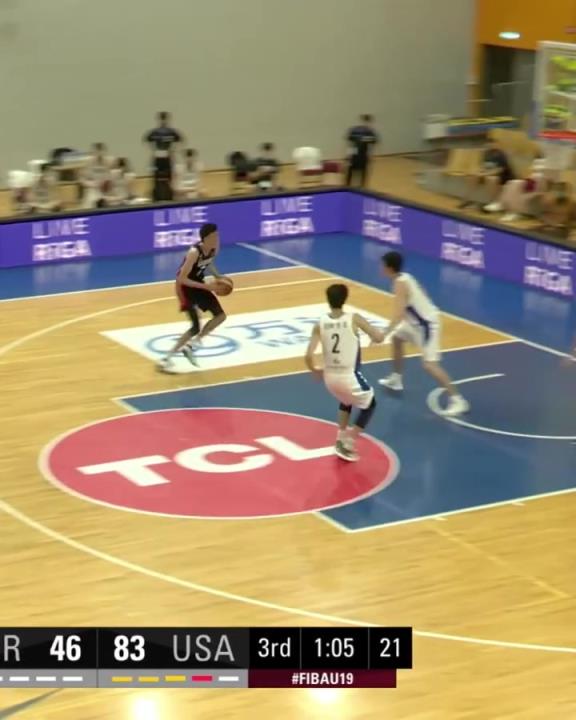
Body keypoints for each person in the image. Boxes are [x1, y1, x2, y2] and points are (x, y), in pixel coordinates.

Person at [378, 252, 469, 417]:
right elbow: (423, 293)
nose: (380, 268)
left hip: (426, 326)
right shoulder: (405, 277)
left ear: (389, 268)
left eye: (382, 265)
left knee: (429, 365)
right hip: (416, 323)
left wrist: (384, 333)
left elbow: (398, 315)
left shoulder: (400, 284)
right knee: (397, 339)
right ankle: (396, 379)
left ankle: (458, 400)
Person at [305, 284, 383, 462]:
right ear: (345, 299)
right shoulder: (354, 318)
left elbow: (308, 355)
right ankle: (348, 442)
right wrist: (374, 337)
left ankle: (340, 437)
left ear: (328, 300)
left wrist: (314, 370)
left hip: (330, 379)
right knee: (370, 404)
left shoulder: (320, 323)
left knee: (346, 399)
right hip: (348, 376)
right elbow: (379, 337)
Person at [158, 223, 227, 372]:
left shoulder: (214, 248)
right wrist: (208, 287)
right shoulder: (194, 252)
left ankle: (191, 345)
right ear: (205, 238)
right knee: (196, 326)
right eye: (214, 236)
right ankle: (166, 359)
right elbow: (182, 278)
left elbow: (208, 262)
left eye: (217, 235)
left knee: (221, 316)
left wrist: (217, 276)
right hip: (184, 287)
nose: (217, 239)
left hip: (198, 284)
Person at [459, 137, 514, 211]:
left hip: (502, 176)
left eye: (491, 144)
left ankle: (493, 203)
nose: (489, 146)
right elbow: (483, 166)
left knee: (491, 179)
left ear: (496, 144)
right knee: (472, 177)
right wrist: (477, 172)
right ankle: (467, 199)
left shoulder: (501, 154)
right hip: (488, 174)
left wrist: (484, 174)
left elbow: (500, 170)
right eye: (487, 144)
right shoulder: (486, 154)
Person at [144, 111, 184, 184]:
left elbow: (180, 140)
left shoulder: (171, 131)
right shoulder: (155, 132)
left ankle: (169, 187)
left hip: (168, 156)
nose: (163, 121)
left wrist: (173, 150)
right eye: (162, 119)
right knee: (156, 173)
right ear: (159, 120)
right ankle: (157, 188)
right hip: (157, 156)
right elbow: (146, 140)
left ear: (167, 120)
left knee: (169, 174)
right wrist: (153, 150)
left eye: (164, 119)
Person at [346, 114, 379, 187]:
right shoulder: (355, 131)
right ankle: (348, 187)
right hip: (354, 156)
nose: (366, 124)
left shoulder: (370, 133)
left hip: (363, 156)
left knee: (363, 174)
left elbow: (372, 146)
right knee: (351, 173)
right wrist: (349, 156)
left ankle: (361, 188)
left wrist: (371, 156)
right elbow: (350, 144)